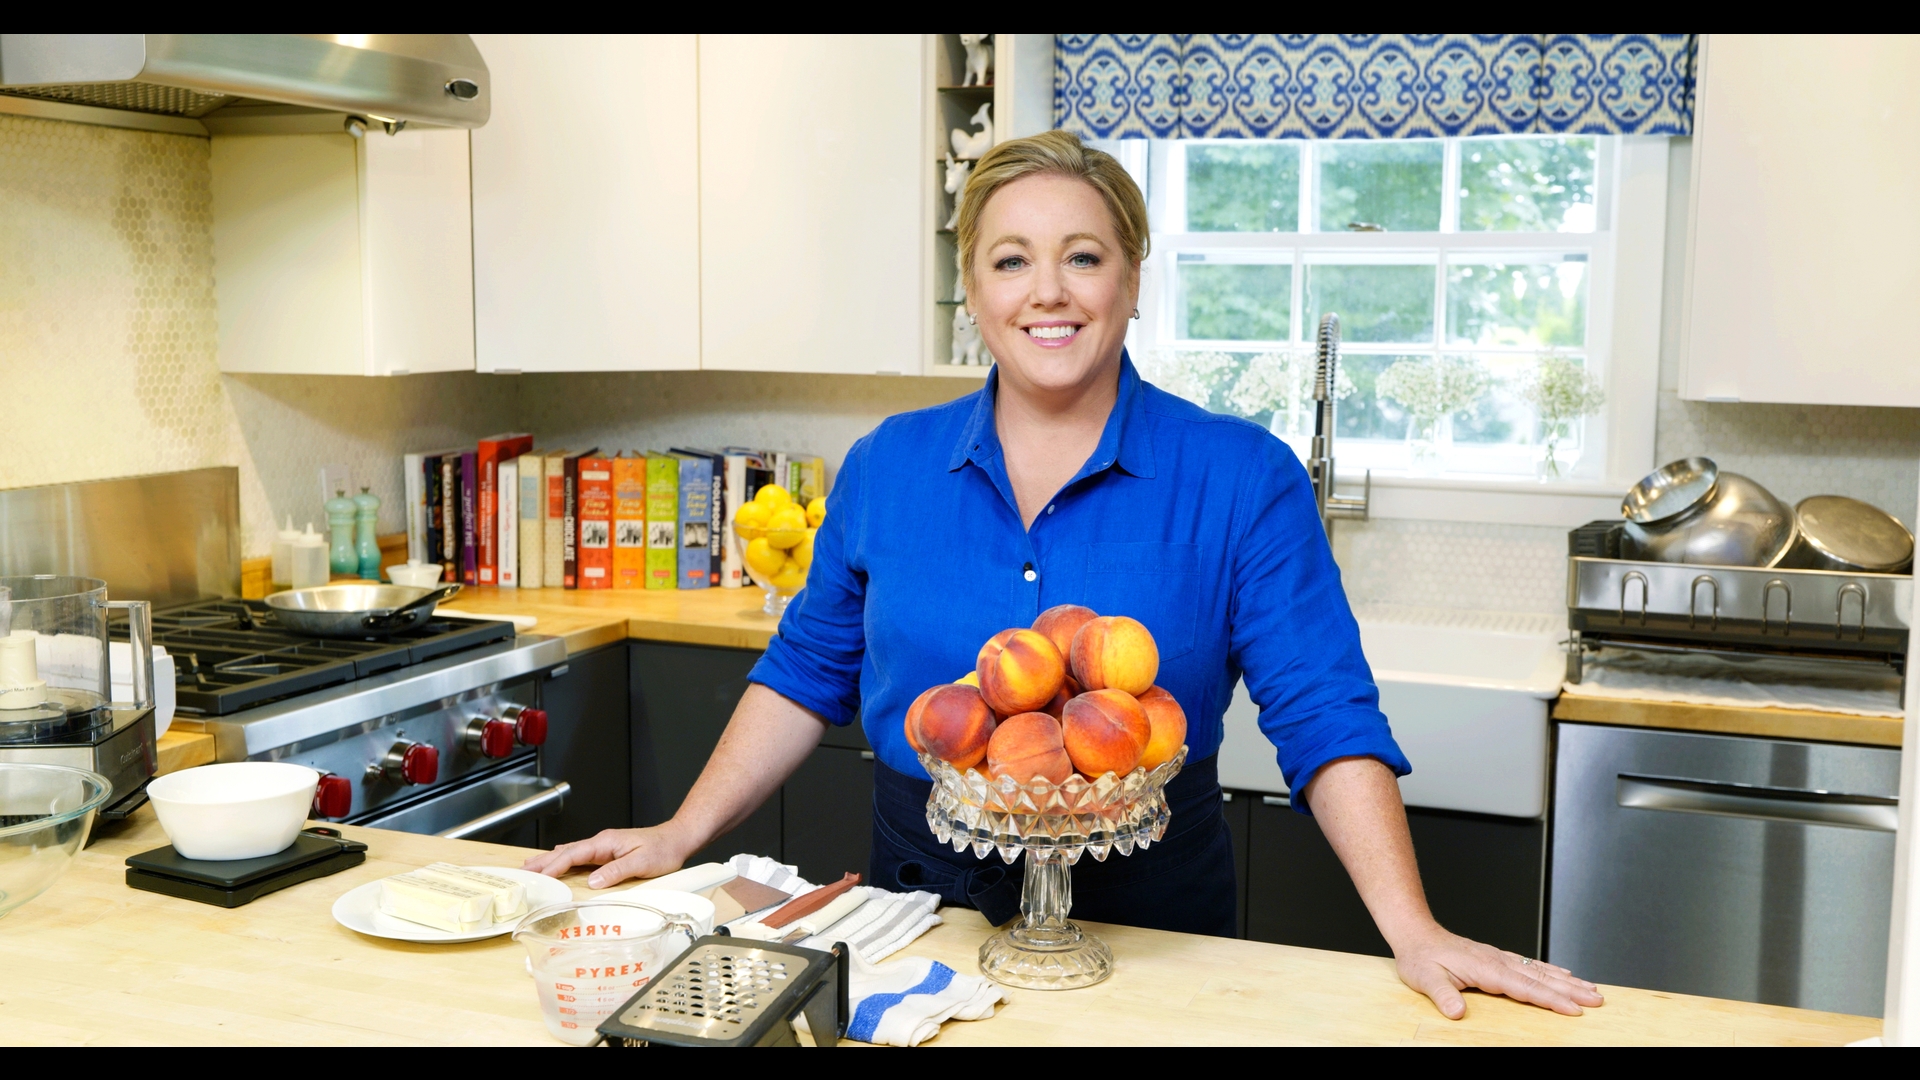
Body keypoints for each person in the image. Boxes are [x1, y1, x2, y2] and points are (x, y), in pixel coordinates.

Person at [525, 130, 1603, 1020]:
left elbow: (1322, 710)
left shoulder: (1240, 477)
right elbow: (808, 666)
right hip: (918, 922)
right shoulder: (889, 465)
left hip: (1155, 928)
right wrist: (677, 834)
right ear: (973, 290)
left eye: (1084, 257)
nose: (1051, 291)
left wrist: (1412, 930)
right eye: (1012, 259)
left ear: (1133, 281)